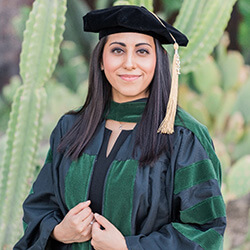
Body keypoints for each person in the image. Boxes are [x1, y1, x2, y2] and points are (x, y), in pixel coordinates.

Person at [14, 5, 226, 250]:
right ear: (102, 61)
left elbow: (204, 231)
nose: (129, 63)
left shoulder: (182, 136)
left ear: (158, 61)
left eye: (142, 51)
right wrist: (59, 232)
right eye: (117, 50)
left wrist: (128, 247)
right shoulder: (71, 128)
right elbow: (40, 205)